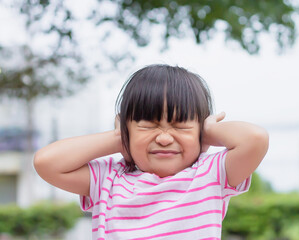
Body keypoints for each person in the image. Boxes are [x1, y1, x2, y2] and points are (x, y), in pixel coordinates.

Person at [33, 64, 269, 240]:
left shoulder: (210, 174)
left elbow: (255, 139)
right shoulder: (109, 179)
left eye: (180, 125)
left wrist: (209, 132)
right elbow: (46, 162)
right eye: (147, 125)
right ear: (126, 128)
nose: (164, 138)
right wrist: (118, 138)